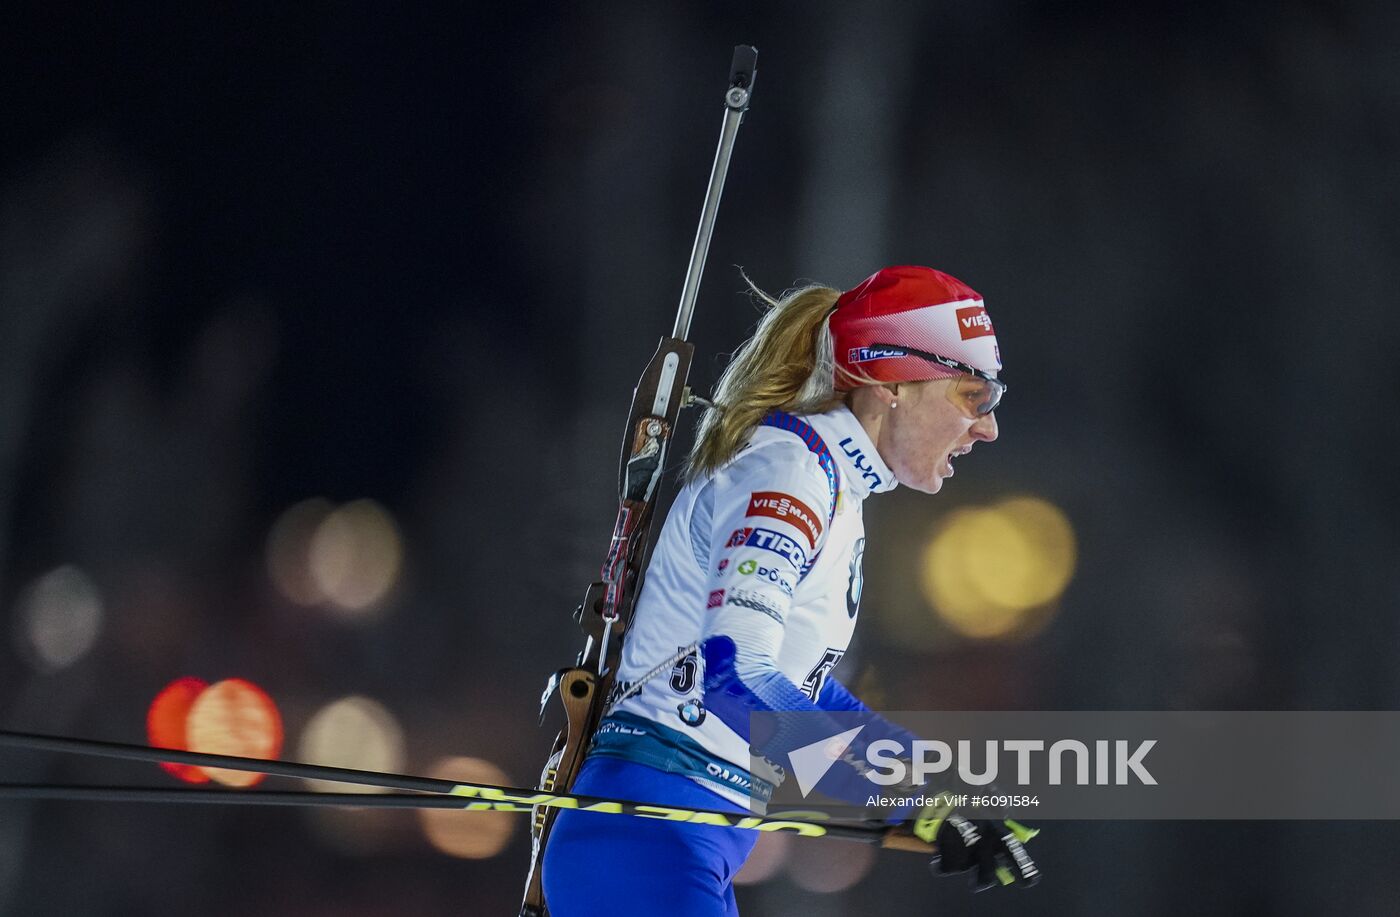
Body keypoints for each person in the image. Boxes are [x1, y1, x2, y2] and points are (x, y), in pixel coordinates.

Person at [542, 265, 1034, 916]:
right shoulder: (787, 478)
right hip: (647, 836)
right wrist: (905, 798)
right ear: (892, 383)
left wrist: (931, 785)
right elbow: (734, 679)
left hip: (681, 842)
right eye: (975, 394)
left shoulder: (833, 486)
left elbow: (795, 688)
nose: (987, 426)